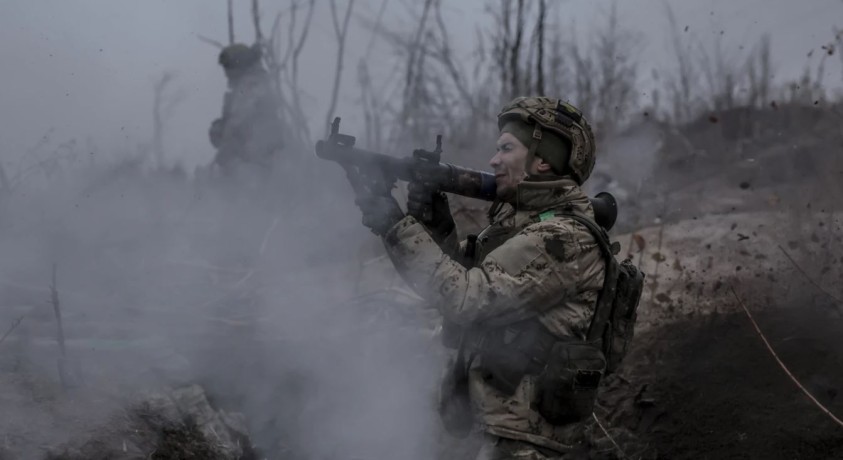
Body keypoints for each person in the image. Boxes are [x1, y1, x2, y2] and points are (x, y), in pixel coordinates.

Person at [355, 97, 620, 459]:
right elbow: (452, 278)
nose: (493, 161)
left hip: (530, 445)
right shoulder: (522, 228)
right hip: (503, 434)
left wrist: (394, 223)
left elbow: (465, 298)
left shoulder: (562, 238)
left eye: (506, 148)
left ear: (543, 160)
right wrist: (434, 226)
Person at [209, 43, 283, 176]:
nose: (226, 73)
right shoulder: (250, 85)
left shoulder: (251, 86)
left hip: (256, 159)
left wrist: (222, 134)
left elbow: (237, 123)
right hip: (255, 156)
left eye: (227, 67)